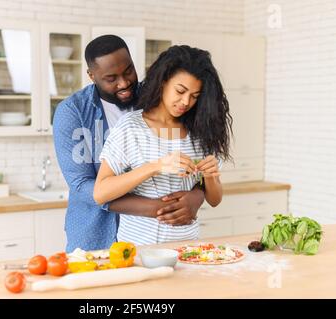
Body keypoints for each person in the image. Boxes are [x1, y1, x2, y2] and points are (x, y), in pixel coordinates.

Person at [53, 36, 206, 252]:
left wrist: (197, 196)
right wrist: (157, 208)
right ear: (92, 76)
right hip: (95, 233)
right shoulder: (72, 112)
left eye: (128, 71)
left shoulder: (156, 97)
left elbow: (191, 154)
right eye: (111, 78)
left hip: (155, 237)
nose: (124, 83)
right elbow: (81, 186)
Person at [94, 45, 233, 245]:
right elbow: (101, 193)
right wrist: (155, 167)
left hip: (187, 248)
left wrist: (210, 177)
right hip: (139, 249)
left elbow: (215, 199)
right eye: (180, 91)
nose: (186, 102)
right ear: (163, 81)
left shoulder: (200, 130)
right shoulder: (131, 127)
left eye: (194, 96)